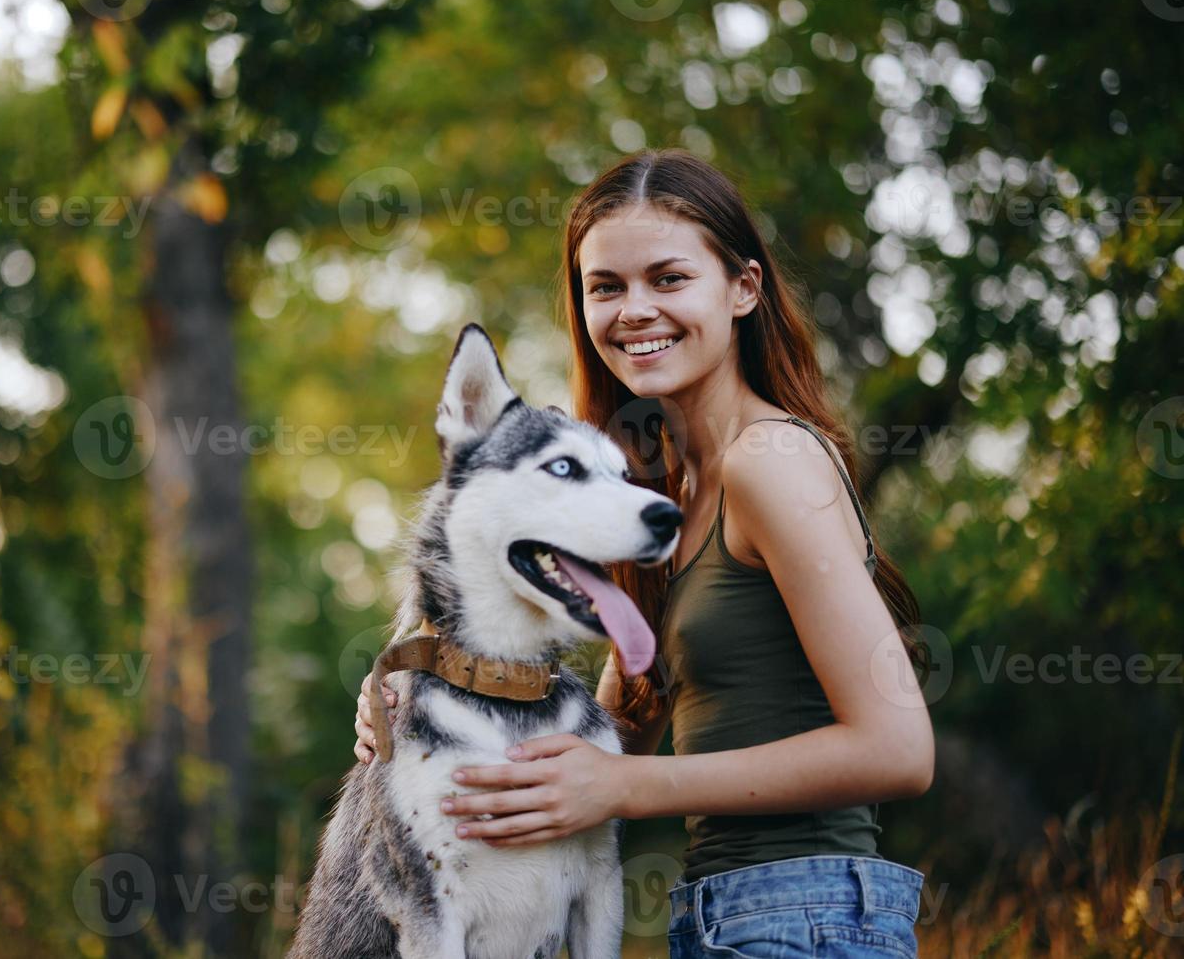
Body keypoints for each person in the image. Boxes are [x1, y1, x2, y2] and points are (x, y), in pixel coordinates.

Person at [352, 148, 934, 957]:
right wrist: (422, 695)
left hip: (807, 917)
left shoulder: (770, 462)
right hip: (723, 917)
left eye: (668, 279)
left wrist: (625, 787)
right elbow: (612, 733)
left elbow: (899, 750)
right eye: (607, 287)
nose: (635, 310)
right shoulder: (665, 494)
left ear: (743, 289)